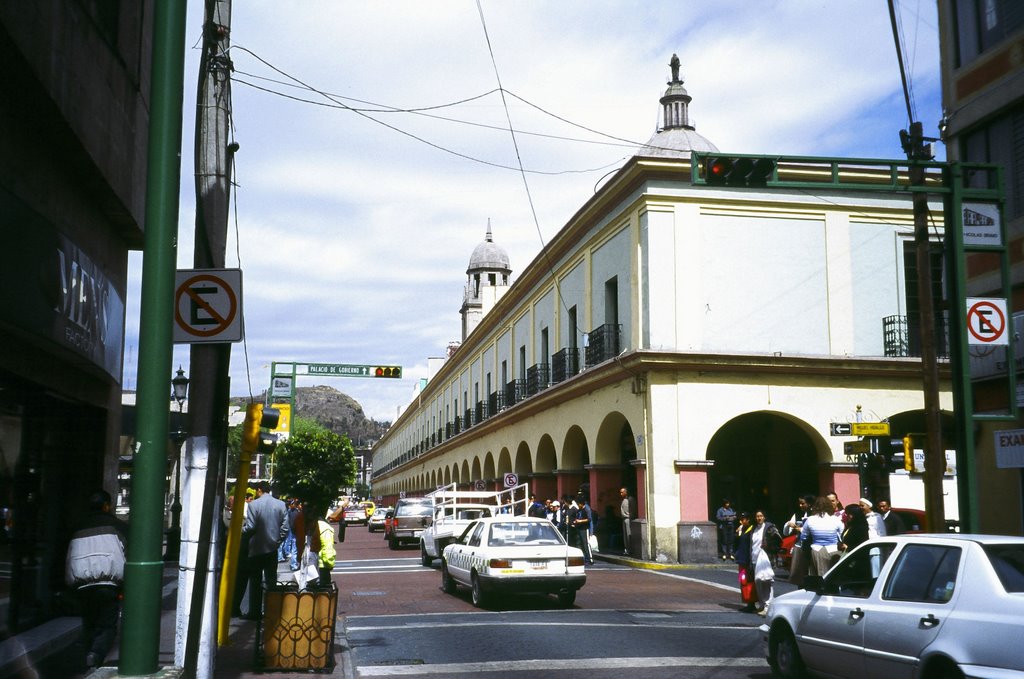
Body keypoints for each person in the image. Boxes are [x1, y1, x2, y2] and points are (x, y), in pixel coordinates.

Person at [64, 489, 128, 670]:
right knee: (107, 624)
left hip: (82, 584)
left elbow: (65, 555)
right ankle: (96, 654)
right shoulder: (118, 526)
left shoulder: (76, 527)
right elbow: (129, 555)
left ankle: (88, 655)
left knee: (89, 622)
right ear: (107, 506)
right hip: (109, 584)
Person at [242, 481, 289, 619]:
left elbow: (250, 527)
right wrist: (277, 541)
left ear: (260, 490)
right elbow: (285, 528)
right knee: (271, 581)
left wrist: (240, 530)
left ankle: (254, 612)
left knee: (255, 581)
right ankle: (272, 611)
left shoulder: (253, 505)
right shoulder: (280, 505)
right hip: (271, 549)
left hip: (256, 548)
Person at [750, 510, 781, 616]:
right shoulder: (753, 528)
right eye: (757, 516)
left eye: (761, 516)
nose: (759, 518)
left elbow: (778, 540)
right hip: (755, 559)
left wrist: (768, 547)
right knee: (758, 582)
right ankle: (762, 604)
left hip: (766, 559)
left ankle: (768, 606)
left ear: (764, 517)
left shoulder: (770, 528)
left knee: (767, 581)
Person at [802, 495, 843, 576]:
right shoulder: (835, 519)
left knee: (819, 576)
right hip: (834, 550)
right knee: (834, 576)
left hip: (817, 550)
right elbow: (842, 534)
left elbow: (804, 537)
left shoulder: (810, 520)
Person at [783, 494, 815, 585]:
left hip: (812, 547)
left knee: (811, 573)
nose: (800, 505)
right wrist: (788, 525)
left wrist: (799, 528)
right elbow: (786, 532)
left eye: (802, 503)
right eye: (799, 503)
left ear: (809, 504)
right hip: (800, 546)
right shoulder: (797, 514)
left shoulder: (815, 514)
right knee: (800, 576)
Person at [733, 512, 758, 612]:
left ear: (748, 520)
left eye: (744, 519)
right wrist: (737, 534)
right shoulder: (742, 529)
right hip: (741, 560)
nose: (742, 521)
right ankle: (747, 602)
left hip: (748, 560)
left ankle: (752, 603)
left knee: (749, 582)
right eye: (741, 519)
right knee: (743, 581)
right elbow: (736, 543)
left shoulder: (752, 530)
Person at [572, 494, 594, 565]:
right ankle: (583, 558)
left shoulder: (586, 508)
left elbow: (589, 519)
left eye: (579, 504)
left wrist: (580, 521)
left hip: (585, 528)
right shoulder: (579, 510)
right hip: (579, 528)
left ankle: (590, 559)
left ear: (581, 503)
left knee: (586, 543)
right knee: (580, 543)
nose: (578, 505)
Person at [619, 488, 637, 556]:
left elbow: (633, 509)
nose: (621, 494)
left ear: (626, 492)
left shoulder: (631, 499)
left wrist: (630, 516)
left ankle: (630, 549)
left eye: (622, 492)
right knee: (625, 536)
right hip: (624, 518)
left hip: (628, 518)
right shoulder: (623, 500)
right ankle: (626, 549)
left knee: (628, 534)